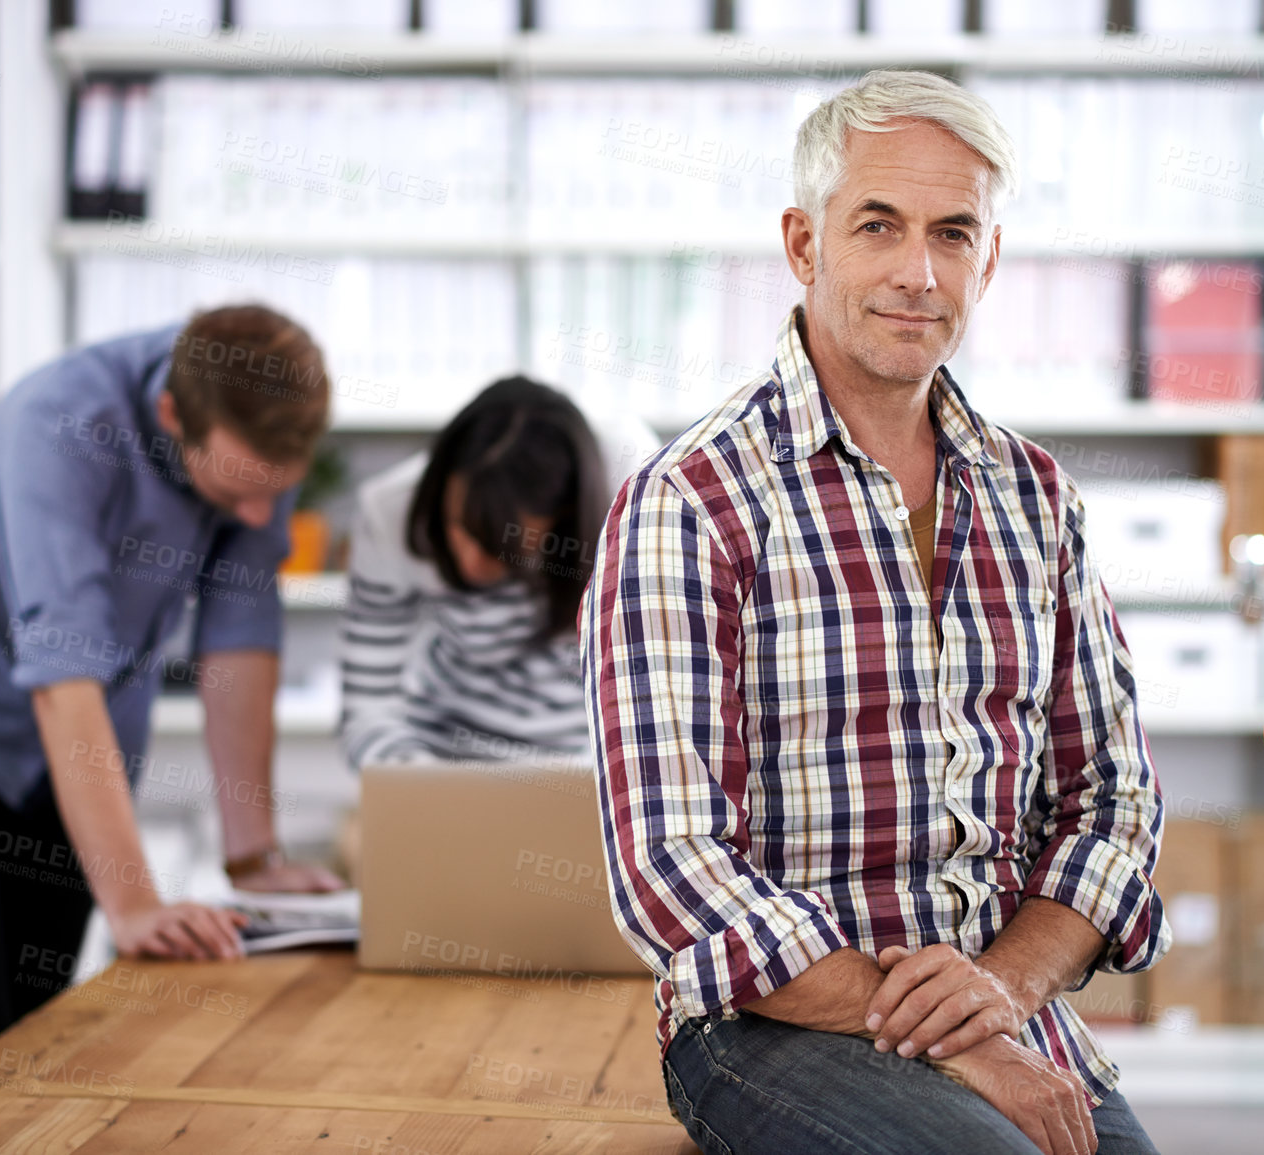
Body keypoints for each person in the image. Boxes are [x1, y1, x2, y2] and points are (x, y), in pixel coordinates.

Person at [581, 71, 1168, 1155]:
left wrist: (996, 994)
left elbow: (1114, 801)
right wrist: (941, 1033)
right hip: (766, 1025)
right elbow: (671, 861)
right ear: (804, 245)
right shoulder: (689, 506)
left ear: (988, 261)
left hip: (1010, 1010)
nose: (918, 271)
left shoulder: (1037, 499)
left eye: (954, 234)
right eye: (879, 226)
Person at [0, 304, 342, 1131]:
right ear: (175, 415)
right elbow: (61, 676)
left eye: (274, 493)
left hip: (67, 762)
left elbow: (239, 642)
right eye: (241, 492)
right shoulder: (60, 426)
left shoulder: (256, 446)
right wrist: (135, 903)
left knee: (30, 1053)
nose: (258, 518)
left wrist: (255, 857)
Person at [341, 377, 654, 770]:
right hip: (437, 759)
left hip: (587, 770)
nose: (470, 562)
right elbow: (368, 706)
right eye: (457, 526)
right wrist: (420, 786)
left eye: (498, 547)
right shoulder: (391, 509)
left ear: (563, 520)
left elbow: (663, 688)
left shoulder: (634, 488)